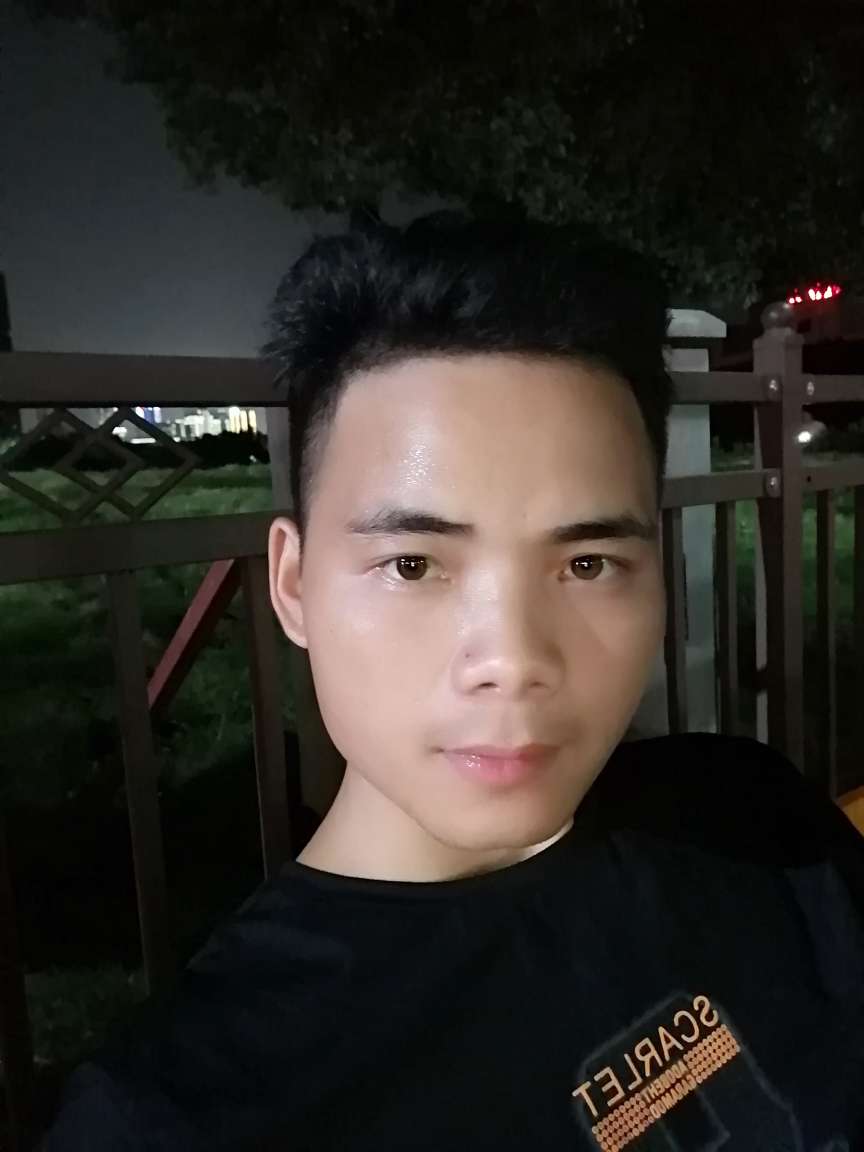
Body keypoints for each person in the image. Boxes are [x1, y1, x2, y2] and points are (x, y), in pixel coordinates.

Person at [45, 215, 864, 1151]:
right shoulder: (176, 1118)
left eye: (587, 564)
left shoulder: (754, 823)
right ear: (293, 585)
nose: (511, 658)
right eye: (413, 565)